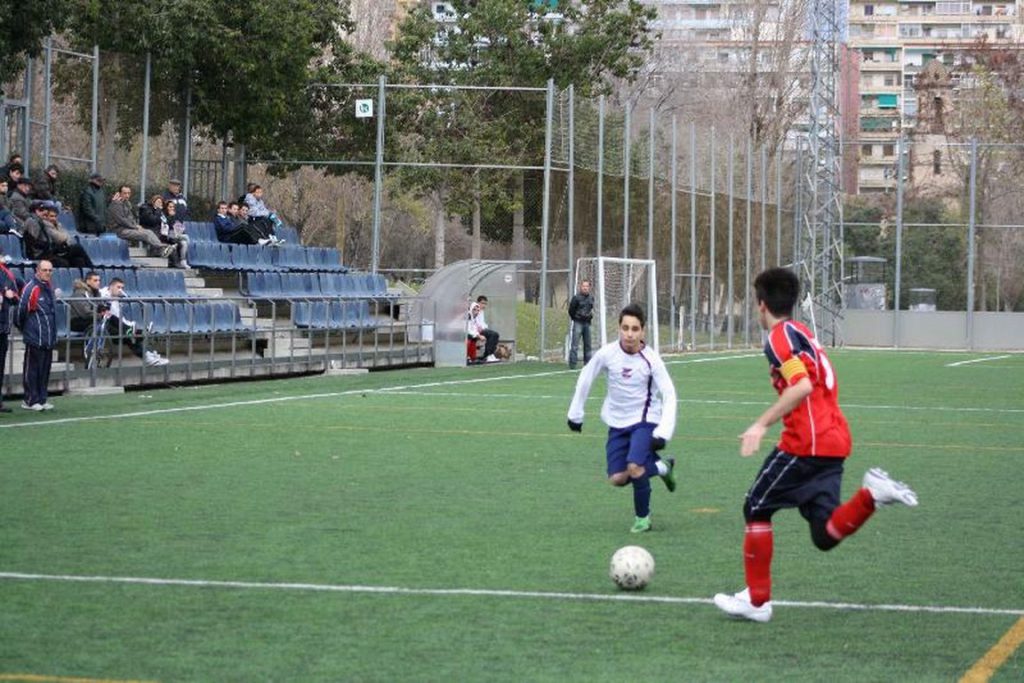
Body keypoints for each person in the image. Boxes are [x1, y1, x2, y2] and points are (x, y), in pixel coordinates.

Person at [713, 267, 918, 624]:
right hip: (833, 439)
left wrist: (760, 424)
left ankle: (757, 601)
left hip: (806, 442)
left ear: (761, 305)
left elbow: (802, 385)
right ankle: (872, 495)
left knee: (755, 506)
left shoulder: (778, 337)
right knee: (824, 535)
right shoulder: (803, 332)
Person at [566, 302, 679, 533]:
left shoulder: (651, 360)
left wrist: (663, 431)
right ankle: (662, 467)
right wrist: (575, 414)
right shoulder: (607, 354)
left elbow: (669, 394)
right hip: (617, 423)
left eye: (635, 329)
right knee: (617, 478)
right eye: (625, 328)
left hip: (644, 421)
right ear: (619, 328)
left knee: (635, 467)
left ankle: (642, 519)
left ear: (643, 331)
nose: (629, 334)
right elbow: (586, 377)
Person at [99, 277, 169, 367]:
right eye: (118, 287)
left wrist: (129, 324)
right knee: (130, 336)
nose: (120, 290)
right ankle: (147, 354)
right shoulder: (102, 294)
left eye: (122, 288)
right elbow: (108, 315)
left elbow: (119, 317)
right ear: (111, 286)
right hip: (105, 325)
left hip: (116, 325)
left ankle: (148, 353)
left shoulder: (115, 300)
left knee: (131, 336)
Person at [17, 260, 57, 411]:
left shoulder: (49, 287)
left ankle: (41, 398)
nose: (47, 273)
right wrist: (27, 330)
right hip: (35, 336)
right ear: (37, 271)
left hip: (48, 337)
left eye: (50, 270)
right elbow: (21, 311)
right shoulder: (31, 287)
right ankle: (30, 400)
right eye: (44, 270)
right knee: (32, 370)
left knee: (45, 370)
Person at [106, 185, 174, 257]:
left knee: (148, 232)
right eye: (125, 193)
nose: (127, 195)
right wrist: (135, 227)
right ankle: (163, 248)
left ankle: (162, 250)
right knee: (146, 234)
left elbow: (130, 218)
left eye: (128, 193)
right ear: (119, 193)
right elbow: (122, 220)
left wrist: (136, 225)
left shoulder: (126, 204)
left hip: (127, 228)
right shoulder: (116, 204)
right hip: (119, 230)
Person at [22, 201, 93, 268]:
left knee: (78, 261)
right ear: (35, 211)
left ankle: (89, 275)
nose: (44, 212)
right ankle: (92, 268)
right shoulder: (33, 221)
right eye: (41, 210)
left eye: (44, 210)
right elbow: (32, 242)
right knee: (76, 249)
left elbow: (66, 237)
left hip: (51, 251)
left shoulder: (41, 222)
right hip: (41, 255)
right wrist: (49, 246)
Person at [0, 252, 21, 413]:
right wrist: (3, 292)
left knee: (1, 365)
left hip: (3, 326)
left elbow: (15, 294)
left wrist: (9, 294)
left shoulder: (6, 272)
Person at [567, 279, 594, 370]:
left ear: (589, 288)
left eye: (587, 286)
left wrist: (590, 316)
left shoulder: (591, 298)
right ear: (580, 287)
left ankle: (588, 363)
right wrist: (576, 318)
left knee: (588, 345)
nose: (585, 288)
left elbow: (591, 308)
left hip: (587, 324)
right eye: (583, 286)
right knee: (575, 344)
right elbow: (571, 310)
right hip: (578, 323)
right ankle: (572, 363)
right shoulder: (576, 298)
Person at [467, 295, 501, 362]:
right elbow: (473, 324)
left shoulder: (481, 311)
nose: (484, 305)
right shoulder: (473, 309)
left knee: (495, 334)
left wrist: (484, 328)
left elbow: (481, 323)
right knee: (493, 334)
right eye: (482, 303)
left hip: (478, 330)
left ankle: (489, 355)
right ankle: (488, 355)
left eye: (485, 304)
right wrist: (480, 332)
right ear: (478, 302)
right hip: (475, 331)